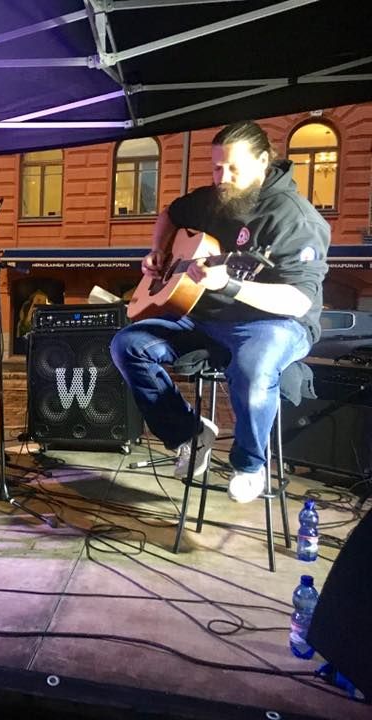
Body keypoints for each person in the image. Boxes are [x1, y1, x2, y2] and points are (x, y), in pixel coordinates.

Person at [110, 120, 330, 503]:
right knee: (127, 345)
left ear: (263, 162)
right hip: (208, 316)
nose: (222, 178)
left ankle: (250, 463)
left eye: (233, 169)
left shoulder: (296, 218)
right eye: (216, 168)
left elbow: (298, 301)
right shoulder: (213, 198)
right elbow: (171, 214)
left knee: (254, 368)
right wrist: (158, 250)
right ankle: (189, 433)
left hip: (274, 322)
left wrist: (231, 285)